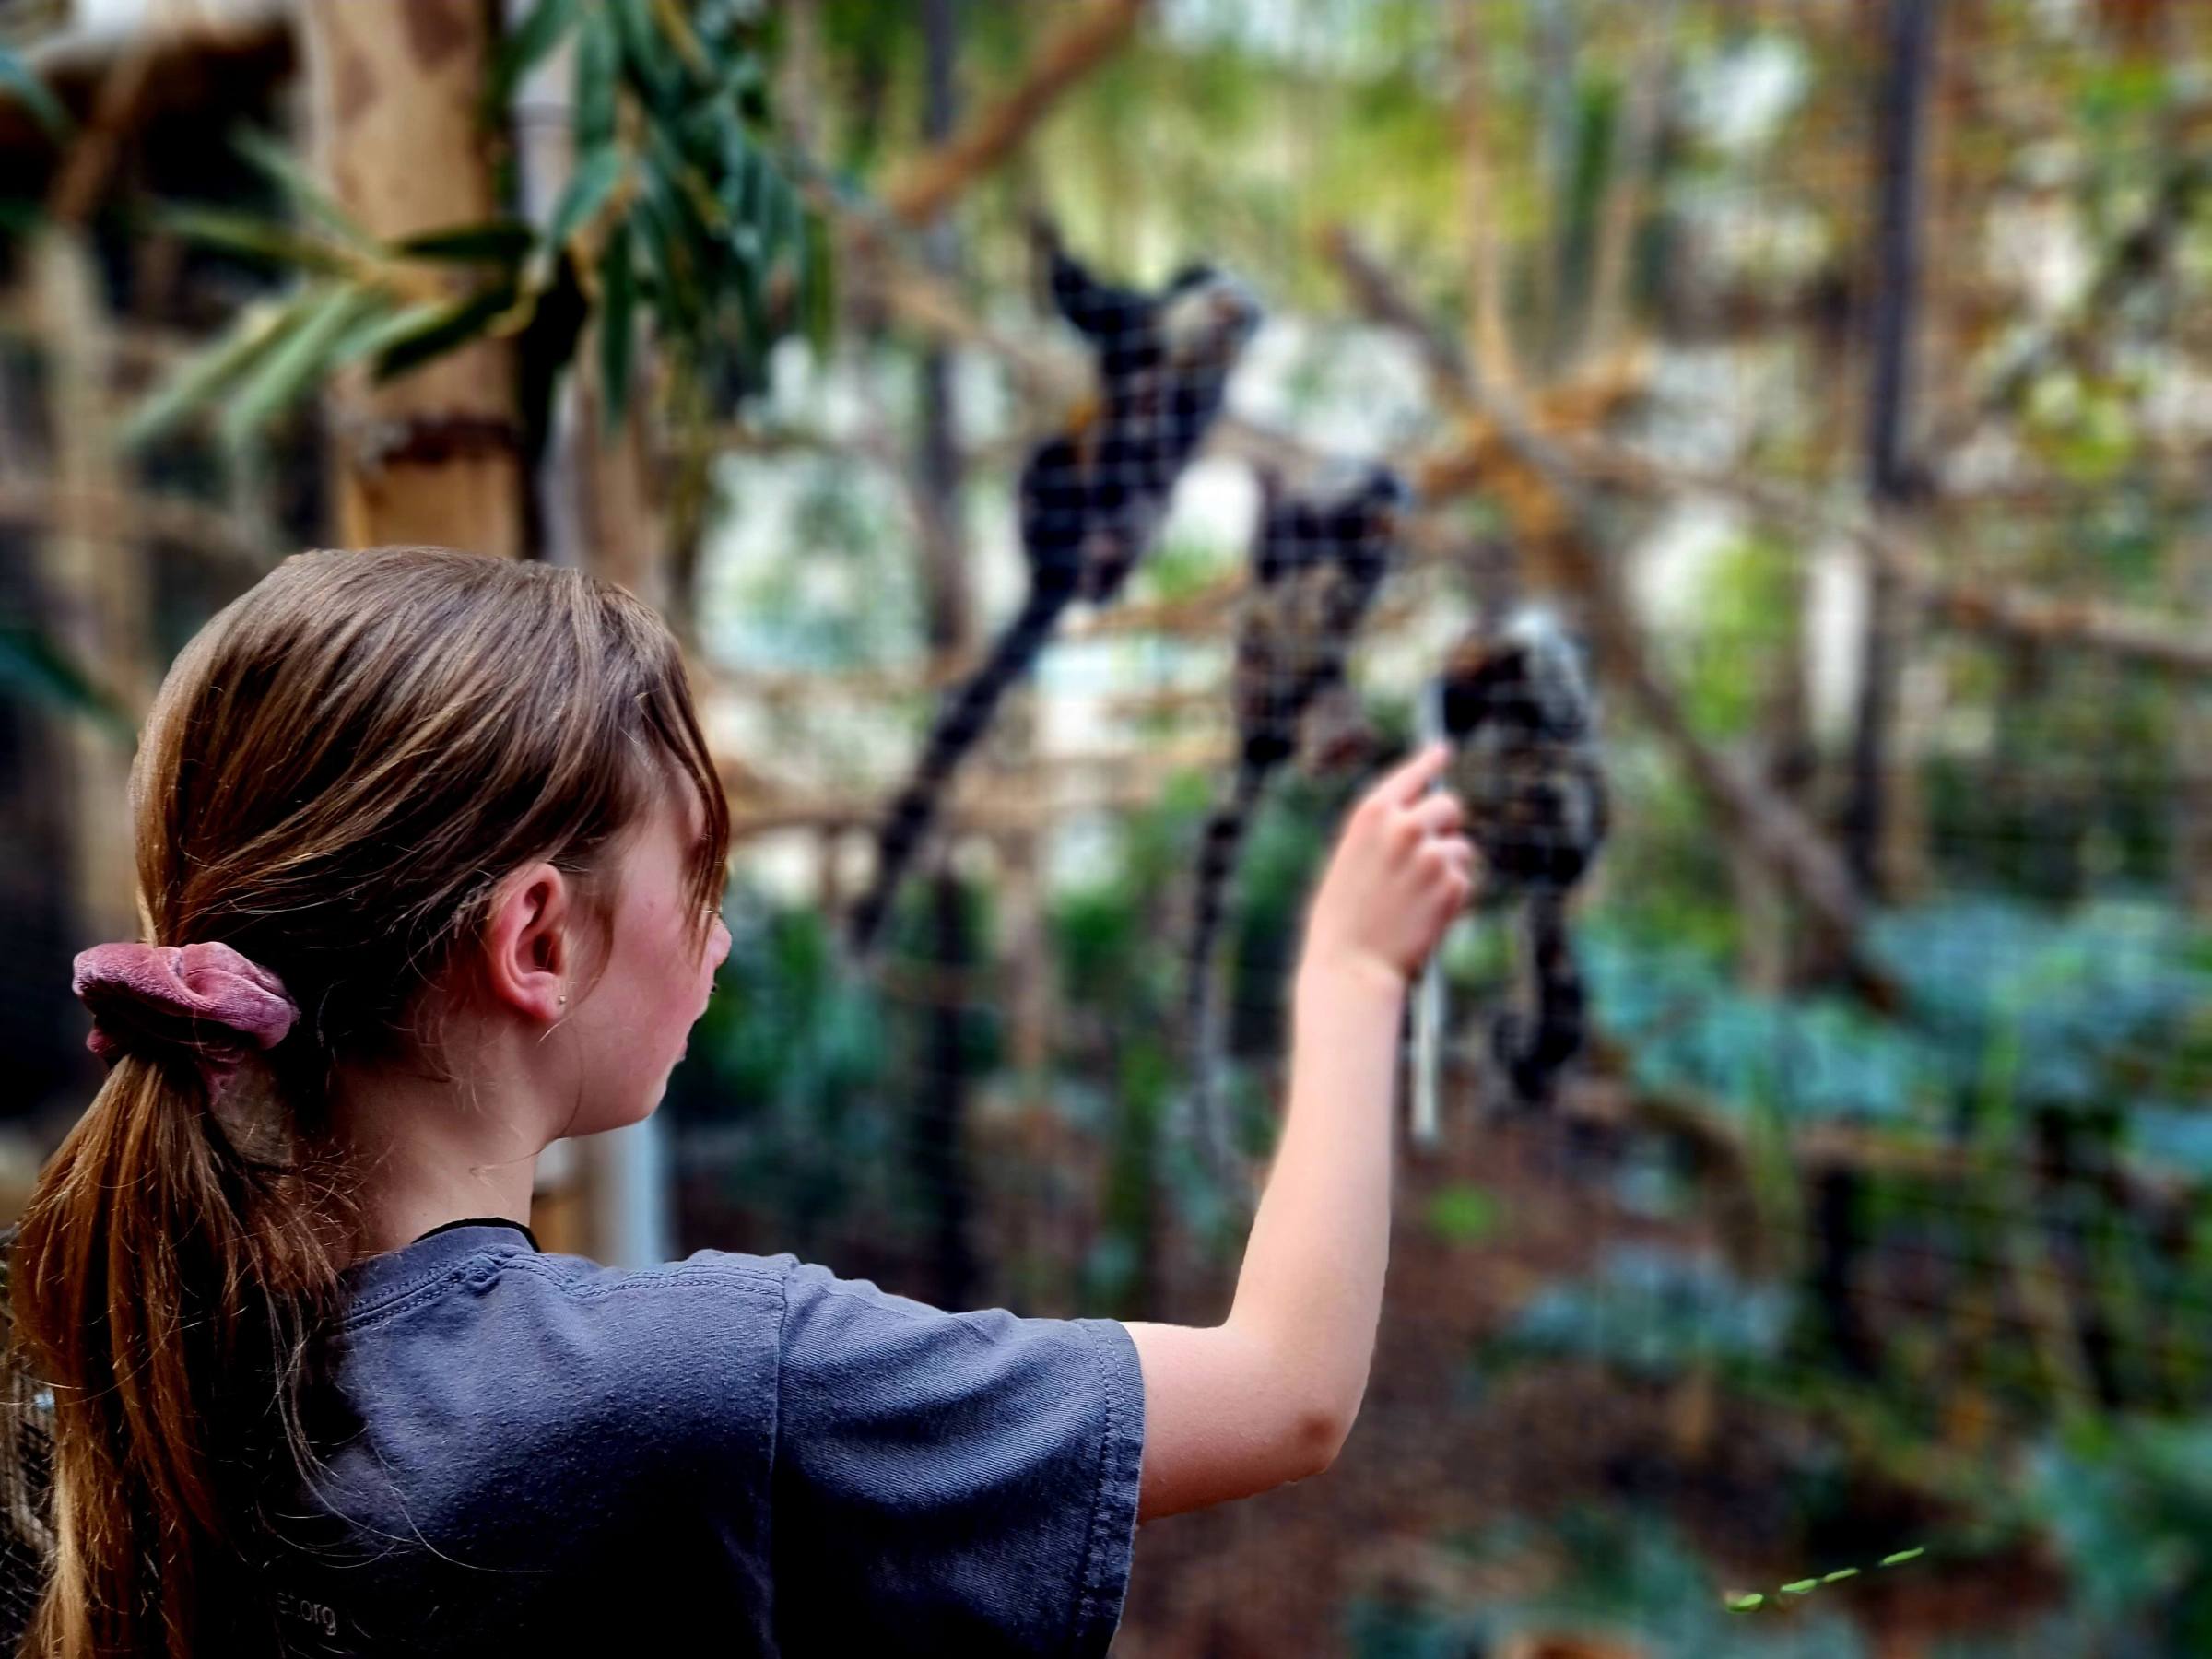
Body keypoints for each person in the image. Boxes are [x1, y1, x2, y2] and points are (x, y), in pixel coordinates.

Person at [2, 545, 1475, 1657]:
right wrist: (1350, 975)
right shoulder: (702, 1390)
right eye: (696, 877)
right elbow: (1287, 1392)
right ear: (537, 941)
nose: (716, 935)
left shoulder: (111, 1396)